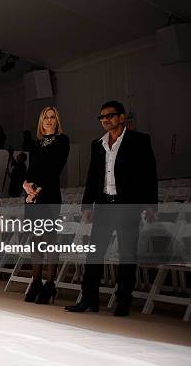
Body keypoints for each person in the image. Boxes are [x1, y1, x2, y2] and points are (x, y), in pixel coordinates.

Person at [65, 100, 157, 317]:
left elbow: (149, 174)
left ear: (122, 117)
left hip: (128, 205)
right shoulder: (97, 144)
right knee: (94, 254)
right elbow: (92, 177)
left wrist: (150, 205)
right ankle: (89, 299)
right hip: (104, 205)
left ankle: (123, 301)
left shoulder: (139, 141)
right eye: (102, 117)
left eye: (110, 115)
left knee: (127, 255)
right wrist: (87, 206)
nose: (105, 120)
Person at [22, 107, 70, 304]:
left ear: (57, 121)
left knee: (49, 240)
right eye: (45, 118)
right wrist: (25, 185)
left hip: (49, 193)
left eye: (52, 118)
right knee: (35, 240)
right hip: (33, 195)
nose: (49, 121)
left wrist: (38, 189)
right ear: (41, 122)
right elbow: (31, 168)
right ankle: (36, 282)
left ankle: (50, 285)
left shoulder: (62, 140)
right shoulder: (35, 143)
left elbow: (55, 168)